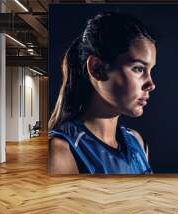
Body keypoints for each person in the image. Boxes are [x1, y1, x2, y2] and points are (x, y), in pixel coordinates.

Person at [48, 12, 156, 175]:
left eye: (150, 70)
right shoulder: (62, 152)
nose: (151, 84)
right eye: (138, 69)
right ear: (97, 68)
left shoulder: (137, 142)